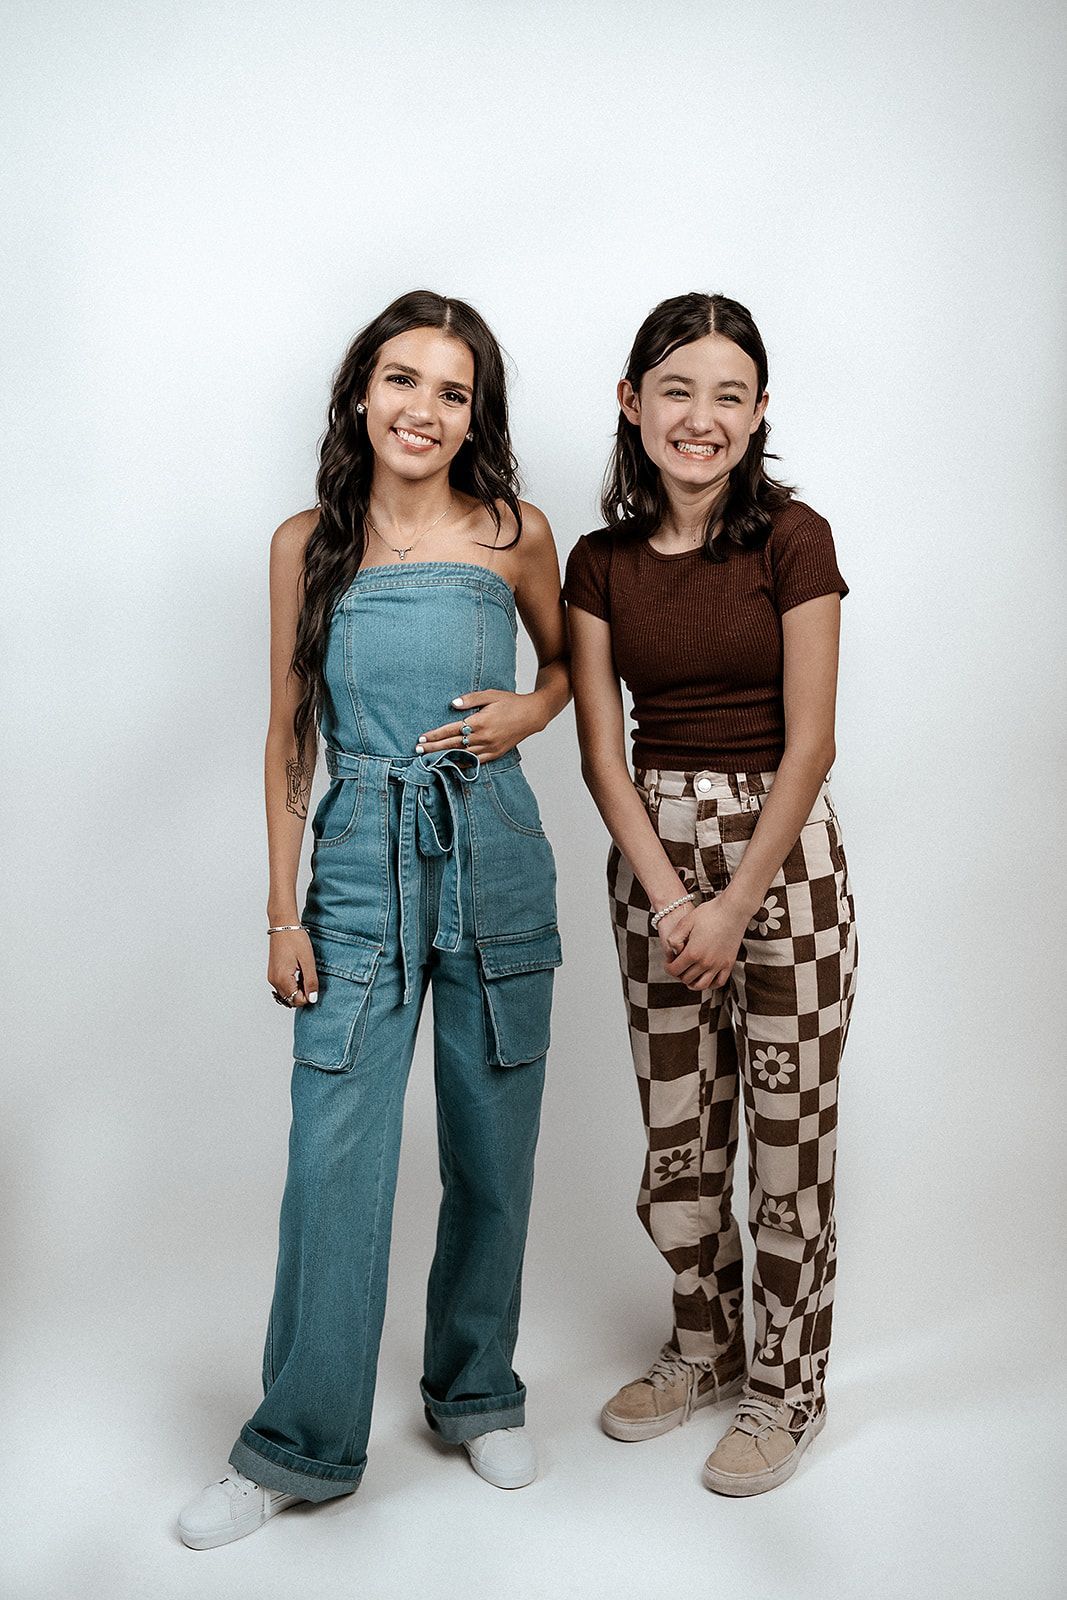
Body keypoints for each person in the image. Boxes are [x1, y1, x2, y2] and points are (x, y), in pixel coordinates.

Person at [178, 290, 569, 1549]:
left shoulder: (516, 534)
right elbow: (290, 733)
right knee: (333, 1159)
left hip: (494, 850)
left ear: (473, 416)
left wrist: (530, 710)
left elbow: (567, 669)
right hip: (355, 863)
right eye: (403, 379)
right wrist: (280, 911)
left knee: (489, 1144)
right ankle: (298, 1442)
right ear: (362, 392)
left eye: (451, 391)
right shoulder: (308, 542)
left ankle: (474, 1393)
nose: (422, 408)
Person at [564, 292, 857, 1497]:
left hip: (781, 870)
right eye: (675, 390)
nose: (701, 416)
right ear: (631, 405)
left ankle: (788, 1389)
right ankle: (703, 1346)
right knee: (679, 1141)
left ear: (758, 412)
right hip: (650, 862)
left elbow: (810, 744)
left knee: (785, 1146)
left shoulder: (793, 538)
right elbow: (598, 748)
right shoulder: (599, 563)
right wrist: (665, 894)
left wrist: (729, 904)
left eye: (728, 394)